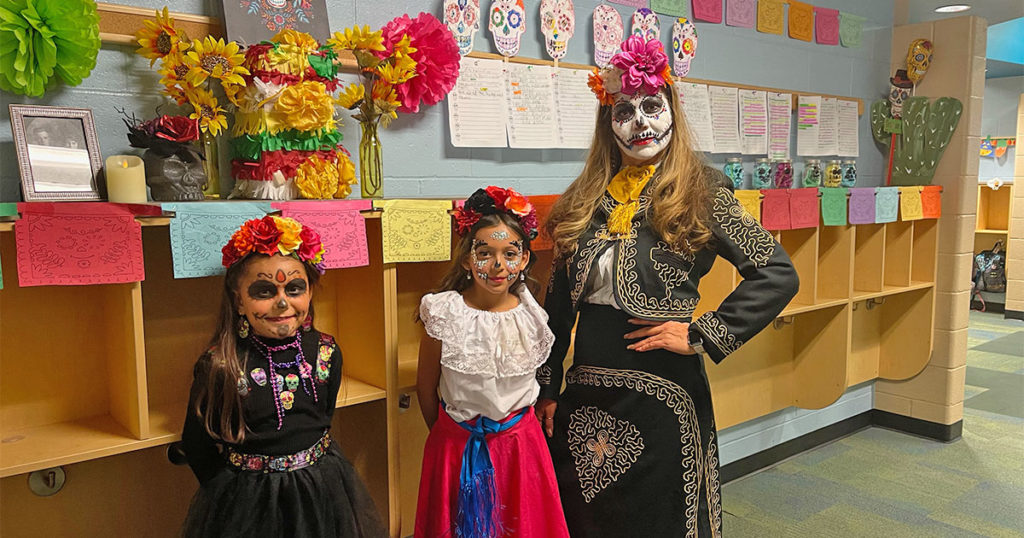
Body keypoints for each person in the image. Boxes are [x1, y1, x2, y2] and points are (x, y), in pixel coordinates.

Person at [536, 35, 800, 537]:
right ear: (607, 124)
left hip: (665, 394)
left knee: (663, 520)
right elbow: (555, 309)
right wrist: (547, 387)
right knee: (589, 518)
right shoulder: (582, 202)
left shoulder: (703, 192)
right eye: (624, 111)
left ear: (673, 112)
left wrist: (701, 333)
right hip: (586, 394)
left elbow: (777, 273)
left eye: (652, 106)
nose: (640, 122)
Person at [180, 215, 385, 538]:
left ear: (310, 291)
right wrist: (232, 496)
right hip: (250, 501)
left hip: (322, 489)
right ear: (238, 300)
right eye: (264, 291)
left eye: (294, 288)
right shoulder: (220, 364)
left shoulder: (326, 352)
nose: (282, 302)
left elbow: (323, 415)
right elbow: (197, 444)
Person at [415, 187, 570, 538]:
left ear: (525, 259)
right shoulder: (443, 313)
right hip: (456, 446)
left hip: (520, 449)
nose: (499, 266)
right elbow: (426, 390)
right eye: (485, 253)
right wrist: (451, 439)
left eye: (510, 253)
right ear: (467, 260)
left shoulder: (532, 316)